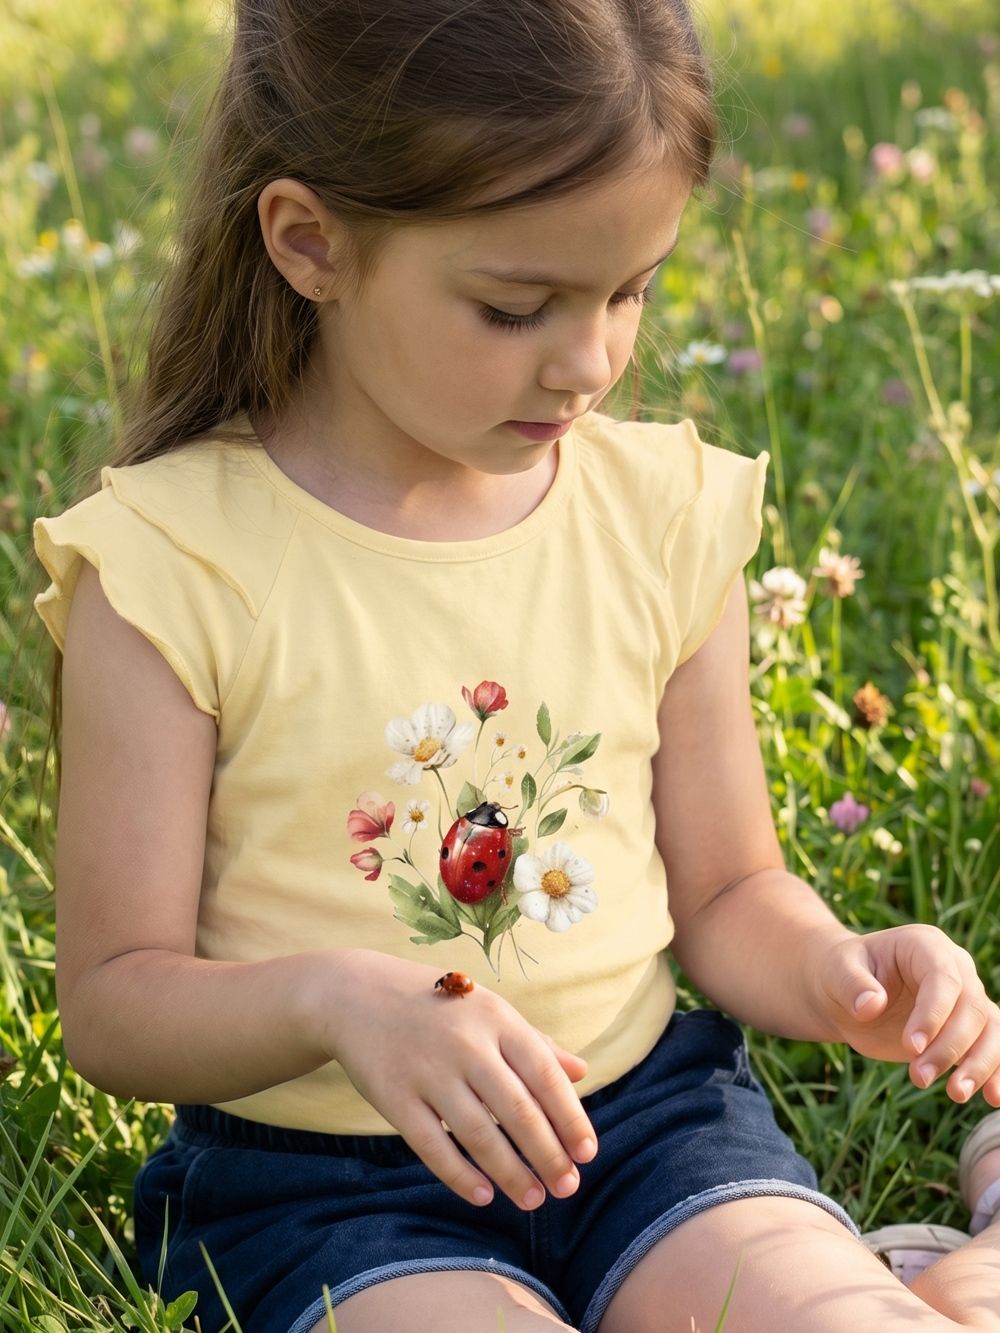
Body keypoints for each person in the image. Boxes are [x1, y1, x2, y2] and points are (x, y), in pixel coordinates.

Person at [29, 2, 1000, 1330]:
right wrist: (338, 998)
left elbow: (728, 885)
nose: (589, 361)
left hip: (650, 1129)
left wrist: (844, 969)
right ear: (312, 243)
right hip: (328, 1184)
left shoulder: (655, 514)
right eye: (515, 305)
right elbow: (114, 1003)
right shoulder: (177, 564)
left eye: (630, 291)